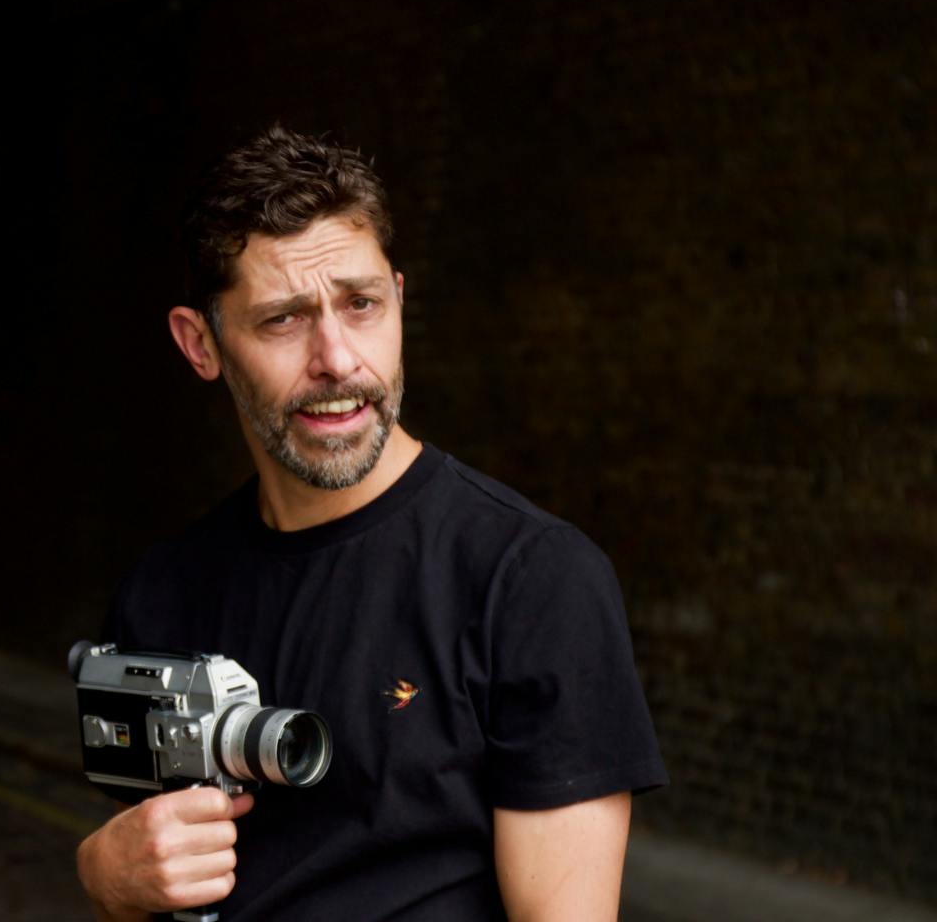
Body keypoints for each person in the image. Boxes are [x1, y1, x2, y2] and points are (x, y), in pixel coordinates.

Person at [75, 126, 666, 921]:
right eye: (283, 320)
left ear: (398, 297)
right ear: (201, 344)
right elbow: (154, 876)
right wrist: (107, 878)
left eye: (361, 305)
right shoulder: (161, 592)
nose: (338, 359)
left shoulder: (531, 580)